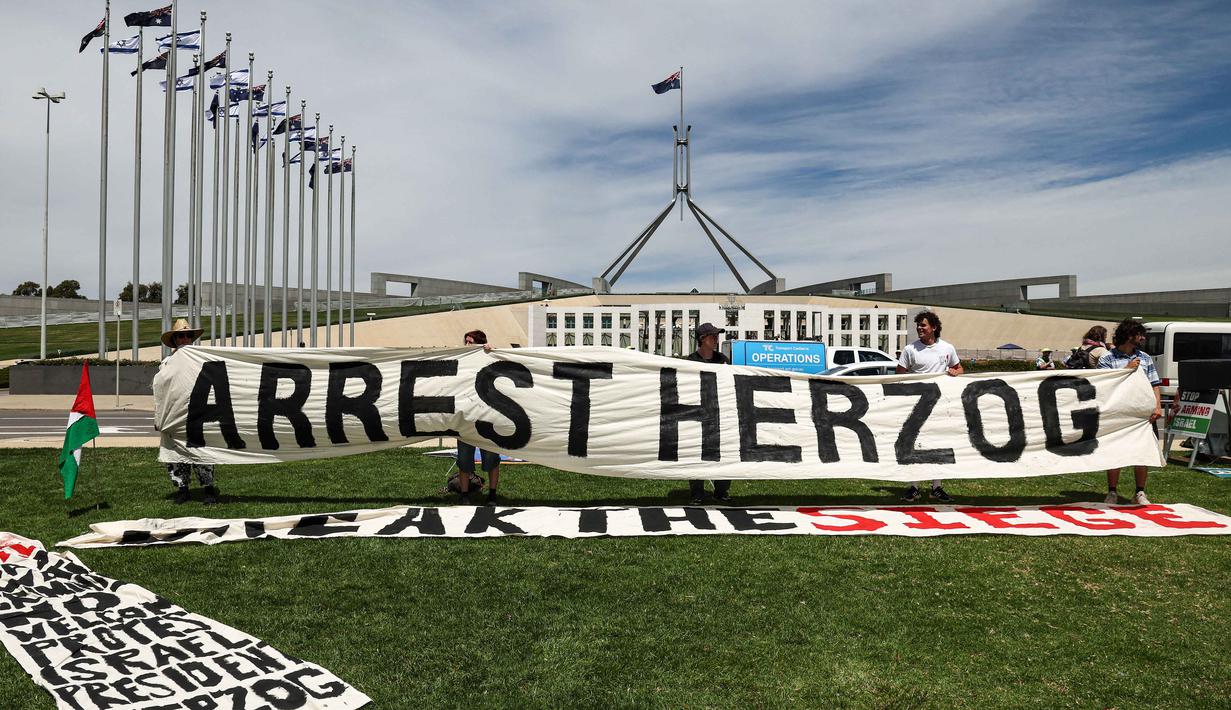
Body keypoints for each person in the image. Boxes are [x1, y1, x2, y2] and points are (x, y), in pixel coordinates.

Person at [896, 311, 963, 503]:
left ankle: (937, 487)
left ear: (933, 327)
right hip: (916, 407)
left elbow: (959, 368)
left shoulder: (947, 348)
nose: (919, 328)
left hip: (940, 406)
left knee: (938, 443)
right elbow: (899, 374)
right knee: (914, 444)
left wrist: (954, 372)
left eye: (923, 325)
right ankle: (914, 487)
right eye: (918, 325)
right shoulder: (910, 349)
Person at [1098, 319, 1163, 505]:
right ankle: (1112, 491)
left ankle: (1140, 492)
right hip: (1118, 412)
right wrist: (1126, 370)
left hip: (1142, 414)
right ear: (1128, 335)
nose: (1142, 338)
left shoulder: (1145, 358)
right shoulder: (1107, 359)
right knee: (1114, 451)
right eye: (1139, 334)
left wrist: (1157, 406)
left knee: (1141, 452)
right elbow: (1104, 384)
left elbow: (1154, 384)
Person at [160, 319, 220, 505]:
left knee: (202, 452)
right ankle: (182, 489)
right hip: (175, 415)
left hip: (198, 414)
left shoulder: (202, 361)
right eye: (181, 335)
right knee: (176, 453)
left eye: (188, 335)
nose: (185, 338)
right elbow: (162, 391)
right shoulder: (167, 363)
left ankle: (209, 489)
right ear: (175, 339)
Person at [682, 323, 731, 505]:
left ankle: (721, 491)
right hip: (698, 413)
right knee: (696, 453)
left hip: (720, 412)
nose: (716, 339)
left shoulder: (723, 360)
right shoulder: (690, 361)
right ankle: (697, 493)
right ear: (703, 339)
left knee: (724, 452)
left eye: (717, 336)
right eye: (713, 336)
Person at [456, 329, 501, 505]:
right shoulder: (462, 361)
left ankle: (492, 494)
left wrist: (492, 350)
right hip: (466, 419)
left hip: (487, 418)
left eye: (471, 342)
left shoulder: (488, 358)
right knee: (464, 459)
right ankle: (464, 494)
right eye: (465, 341)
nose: (467, 345)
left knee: (491, 458)